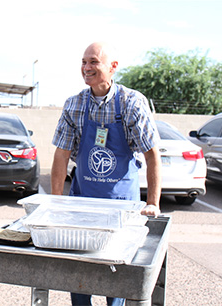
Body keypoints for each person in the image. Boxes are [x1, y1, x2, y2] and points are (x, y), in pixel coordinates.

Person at [50, 42, 162, 306]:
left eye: (94, 62)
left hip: (121, 208)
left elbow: (152, 155)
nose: (86, 68)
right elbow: (61, 155)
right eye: (84, 62)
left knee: (116, 278)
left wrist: (153, 203)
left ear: (113, 68)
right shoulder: (74, 105)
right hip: (82, 206)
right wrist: (54, 202)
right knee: (79, 273)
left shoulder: (132, 104)